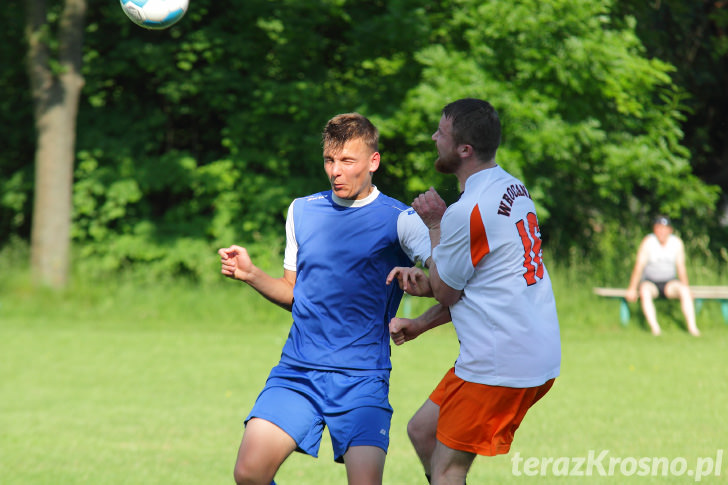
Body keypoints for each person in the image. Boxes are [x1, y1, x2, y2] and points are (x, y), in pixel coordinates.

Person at [218, 112, 431, 485]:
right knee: (249, 473)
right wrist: (251, 275)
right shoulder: (302, 210)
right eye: (329, 160)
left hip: (363, 378)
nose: (336, 171)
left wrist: (423, 280)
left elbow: (451, 280)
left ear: (373, 162)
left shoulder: (402, 220)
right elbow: (294, 294)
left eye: (347, 161)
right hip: (298, 371)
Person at [386, 98, 561, 485]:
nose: (434, 137)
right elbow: (478, 287)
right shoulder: (513, 187)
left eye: (441, 133)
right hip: (526, 349)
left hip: (501, 362)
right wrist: (418, 323)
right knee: (422, 431)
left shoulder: (469, 210)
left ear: (464, 149)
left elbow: (447, 291)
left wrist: (434, 223)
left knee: (448, 470)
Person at [625, 216, 700, 336]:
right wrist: (632, 288)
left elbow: (681, 268)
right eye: (658, 228)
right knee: (644, 291)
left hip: (669, 282)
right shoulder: (648, 242)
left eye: (664, 228)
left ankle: (692, 328)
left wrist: (686, 286)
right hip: (650, 282)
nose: (661, 231)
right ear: (654, 229)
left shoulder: (676, 243)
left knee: (684, 291)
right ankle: (655, 329)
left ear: (670, 230)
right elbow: (639, 266)